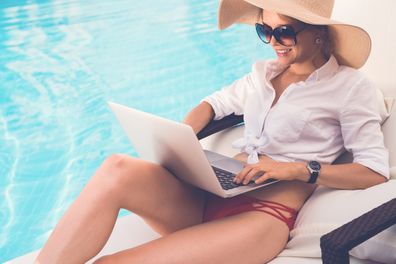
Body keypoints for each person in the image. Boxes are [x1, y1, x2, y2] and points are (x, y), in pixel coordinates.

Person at [35, 0, 390, 263]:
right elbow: (213, 104)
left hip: (262, 218)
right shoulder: (262, 74)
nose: (272, 42)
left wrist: (297, 169)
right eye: (264, 30)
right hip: (212, 194)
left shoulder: (350, 88)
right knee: (116, 167)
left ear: (319, 35)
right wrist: (180, 137)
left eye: (284, 31)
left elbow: (373, 173)